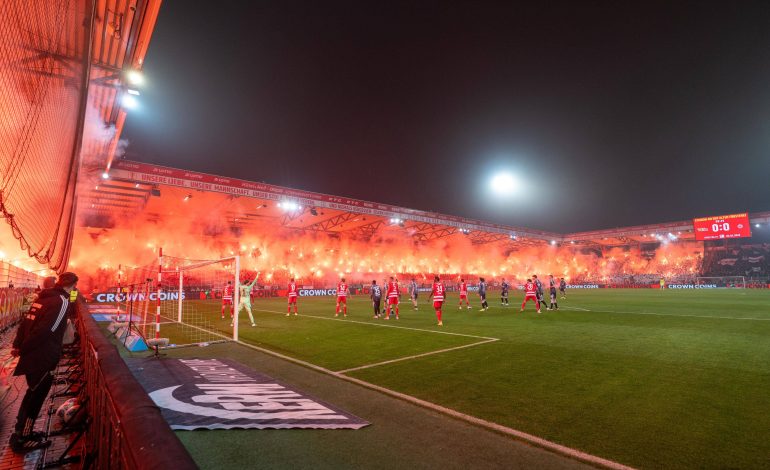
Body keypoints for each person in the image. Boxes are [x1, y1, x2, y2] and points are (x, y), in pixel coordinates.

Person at [9, 272, 78, 453]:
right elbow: (48, 330)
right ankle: (23, 438)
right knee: (36, 396)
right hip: (43, 356)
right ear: (71, 285)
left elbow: (26, 323)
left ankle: (21, 433)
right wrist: (23, 348)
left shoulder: (43, 298)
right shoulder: (62, 301)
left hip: (32, 354)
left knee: (31, 393)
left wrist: (19, 344)